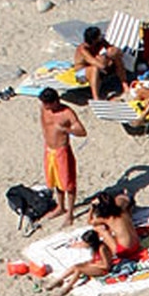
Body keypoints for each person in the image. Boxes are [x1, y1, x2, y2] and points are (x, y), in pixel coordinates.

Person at [39, 87, 87, 225]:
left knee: (69, 184)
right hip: (49, 150)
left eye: (47, 104)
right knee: (55, 181)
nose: (46, 107)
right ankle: (60, 207)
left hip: (62, 151)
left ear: (55, 101)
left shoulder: (67, 113)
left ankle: (70, 213)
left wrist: (66, 129)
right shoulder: (44, 109)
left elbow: (82, 131)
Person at [45, 229, 113, 296]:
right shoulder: (94, 247)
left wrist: (93, 264)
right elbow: (96, 258)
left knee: (79, 270)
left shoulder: (102, 248)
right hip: (96, 263)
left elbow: (106, 266)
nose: (83, 244)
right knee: (75, 266)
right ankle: (59, 280)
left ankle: (67, 287)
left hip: (103, 269)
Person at [74, 26, 128, 101]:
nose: (101, 37)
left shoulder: (100, 42)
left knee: (116, 58)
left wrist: (113, 52)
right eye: (99, 36)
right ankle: (96, 97)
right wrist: (105, 58)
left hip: (100, 69)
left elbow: (116, 51)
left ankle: (125, 85)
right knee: (94, 69)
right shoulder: (83, 49)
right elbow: (99, 65)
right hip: (82, 73)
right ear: (94, 39)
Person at [88, 191, 141, 257]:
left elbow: (90, 222)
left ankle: (112, 250)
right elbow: (126, 199)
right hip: (137, 243)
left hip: (125, 250)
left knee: (100, 229)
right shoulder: (122, 209)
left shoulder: (107, 218)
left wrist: (91, 208)